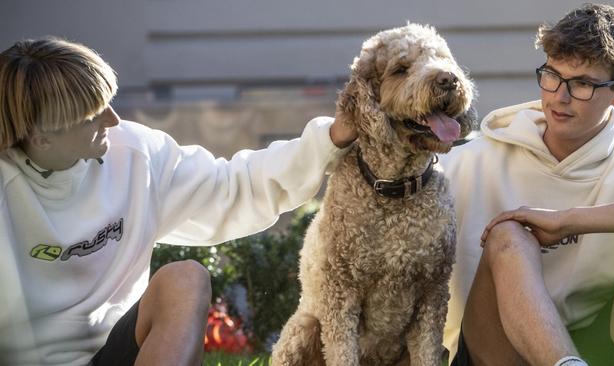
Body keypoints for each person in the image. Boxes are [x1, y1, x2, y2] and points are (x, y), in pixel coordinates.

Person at [0, 37, 357, 366]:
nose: (114, 119)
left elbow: (233, 187)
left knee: (186, 279)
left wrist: (329, 141)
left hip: (118, 352)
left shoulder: (134, 153)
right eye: (92, 116)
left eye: (108, 102)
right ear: (41, 138)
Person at [438, 3, 614, 366]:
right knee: (509, 233)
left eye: (582, 83)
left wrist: (570, 220)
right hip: (492, 349)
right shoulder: (470, 161)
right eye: (552, 75)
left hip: (600, 348)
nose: (559, 97)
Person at [481, 201, 614, 366]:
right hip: (497, 347)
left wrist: (568, 220)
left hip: (599, 340)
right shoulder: (466, 174)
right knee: (507, 233)